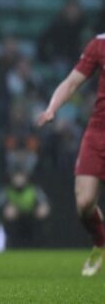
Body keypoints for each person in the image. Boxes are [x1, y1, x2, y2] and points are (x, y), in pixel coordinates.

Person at [37, 33, 105, 276]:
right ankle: (100, 243)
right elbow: (71, 83)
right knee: (85, 204)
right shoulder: (99, 44)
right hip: (98, 132)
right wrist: (52, 109)